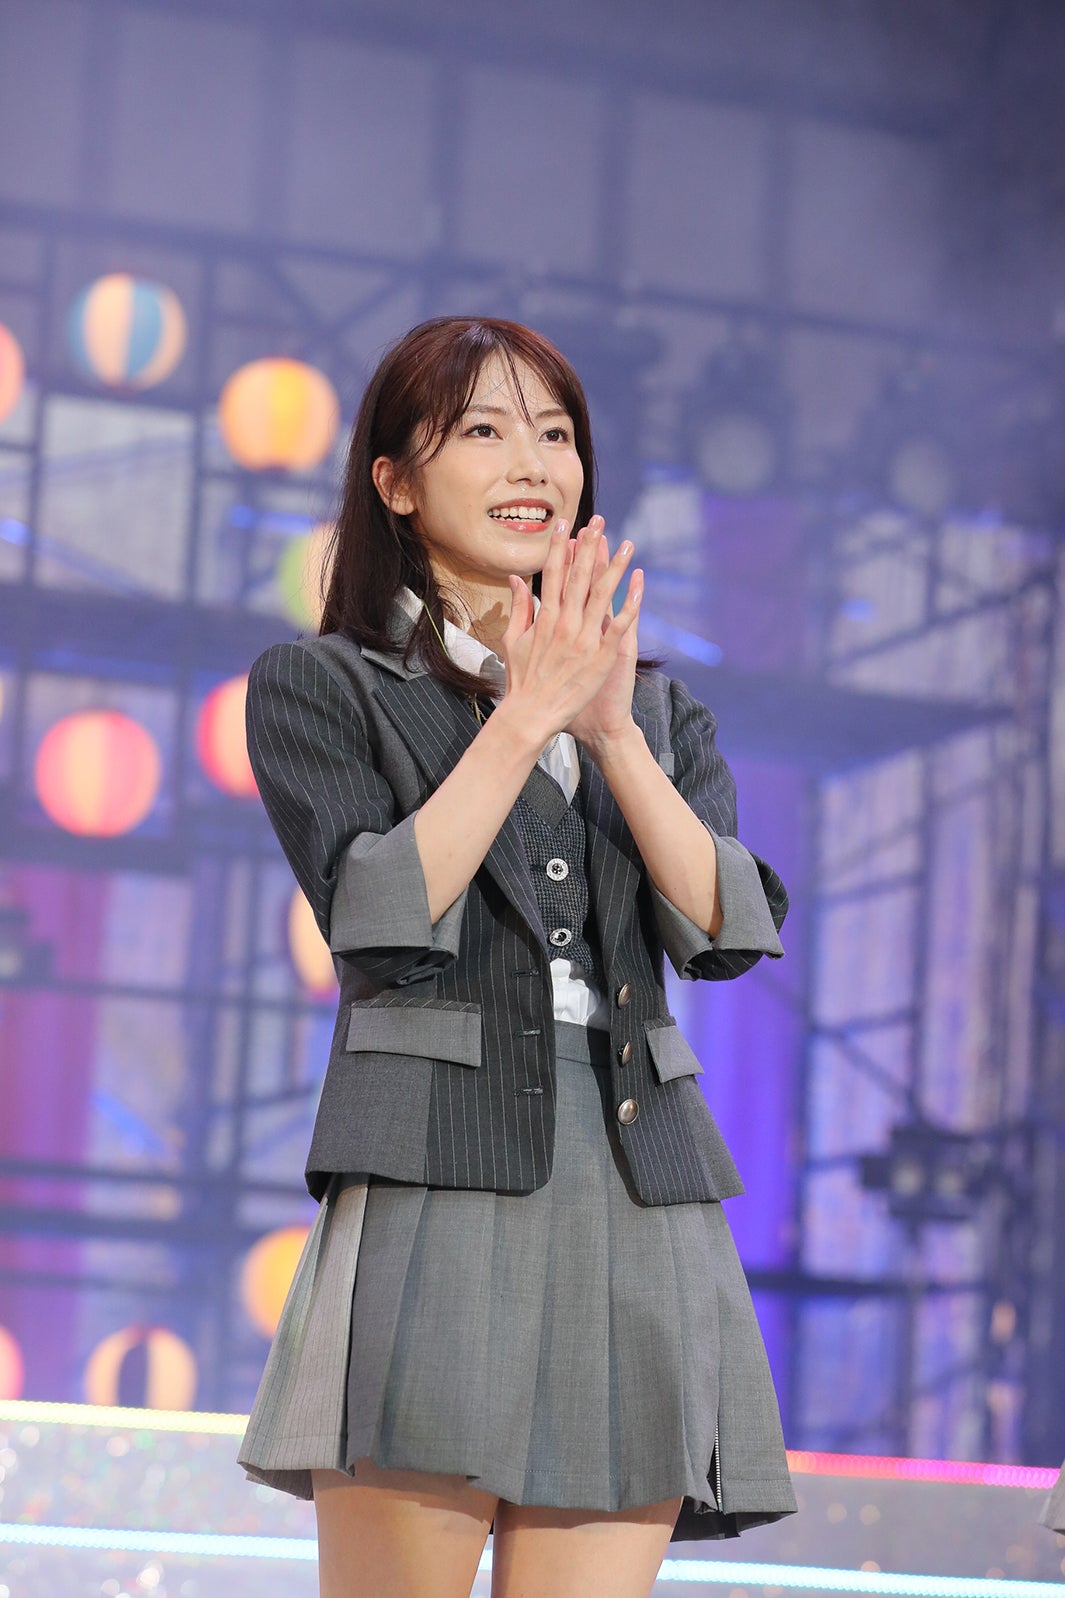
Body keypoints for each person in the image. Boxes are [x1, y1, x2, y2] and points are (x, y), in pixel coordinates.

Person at [238, 315, 796, 1598]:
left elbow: (727, 928)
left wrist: (610, 732)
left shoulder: (657, 708)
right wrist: (522, 715)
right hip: (439, 1167)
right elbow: (379, 915)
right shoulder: (326, 684)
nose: (532, 462)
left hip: (641, 1185)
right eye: (483, 430)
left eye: (554, 433)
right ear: (395, 481)